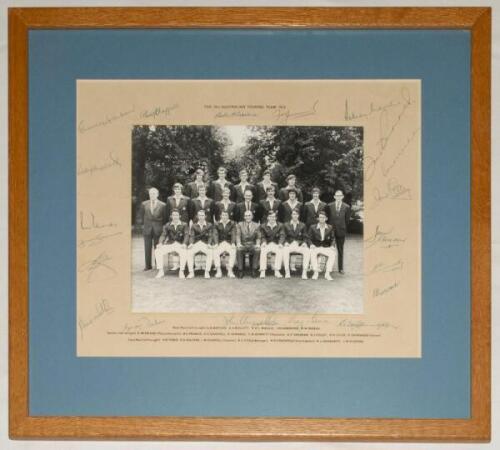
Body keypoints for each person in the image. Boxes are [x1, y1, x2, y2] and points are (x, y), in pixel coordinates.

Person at [138, 187, 167, 271]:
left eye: (154, 194)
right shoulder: (144, 204)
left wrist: (162, 228)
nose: (152, 195)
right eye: (151, 194)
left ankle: (158, 265)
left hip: (158, 229)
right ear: (149, 194)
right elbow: (142, 216)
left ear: (157, 195)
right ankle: (148, 266)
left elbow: (165, 218)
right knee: (147, 248)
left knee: (157, 247)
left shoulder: (163, 205)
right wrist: (143, 226)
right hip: (147, 229)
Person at [154, 209, 189, 279]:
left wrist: (184, 243)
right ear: (171, 216)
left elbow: (186, 235)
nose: (175, 217)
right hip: (170, 243)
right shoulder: (167, 225)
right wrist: (160, 243)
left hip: (180, 244)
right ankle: (160, 271)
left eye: (176, 215)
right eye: (173, 215)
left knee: (184, 252)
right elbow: (163, 235)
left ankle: (181, 271)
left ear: (179, 216)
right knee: (157, 251)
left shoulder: (184, 224)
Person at [186, 210, 215, 279]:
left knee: (210, 252)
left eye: (202, 215)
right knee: (189, 252)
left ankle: (207, 271)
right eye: (199, 215)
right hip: (196, 243)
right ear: (197, 216)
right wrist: (191, 243)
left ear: (205, 216)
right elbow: (192, 236)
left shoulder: (209, 225)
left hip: (205, 243)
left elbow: (211, 235)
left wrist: (209, 243)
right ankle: (191, 272)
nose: (201, 217)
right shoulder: (194, 225)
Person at [282, 208, 310, 280]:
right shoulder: (286, 224)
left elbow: (305, 236)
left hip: (299, 244)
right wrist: (285, 242)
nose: (295, 216)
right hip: (290, 244)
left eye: (296, 214)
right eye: (293, 214)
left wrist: (304, 242)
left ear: (298, 215)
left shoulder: (302, 225)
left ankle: (304, 272)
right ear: (291, 215)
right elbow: (283, 236)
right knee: (285, 250)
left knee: (307, 251)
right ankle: (287, 272)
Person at [327, 190, 350, 274]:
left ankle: (341, 268)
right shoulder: (329, 206)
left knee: (340, 250)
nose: (338, 197)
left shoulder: (346, 207)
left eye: (340, 195)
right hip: (331, 232)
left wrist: (342, 228)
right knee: (329, 249)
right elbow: (328, 218)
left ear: (342, 197)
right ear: (334, 197)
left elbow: (347, 220)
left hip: (341, 231)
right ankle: (328, 268)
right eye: (337, 195)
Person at [308, 210, 336, 281]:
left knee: (333, 253)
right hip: (316, 246)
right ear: (318, 218)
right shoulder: (312, 227)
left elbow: (333, 239)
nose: (322, 219)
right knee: (312, 252)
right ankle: (315, 272)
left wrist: (332, 245)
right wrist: (311, 244)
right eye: (320, 217)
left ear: (326, 218)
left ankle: (327, 273)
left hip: (325, 247)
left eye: (323, 217)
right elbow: (308, 238)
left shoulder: (330, 227)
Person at [259, 210, 284, 279]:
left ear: (276, 218)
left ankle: (277, 270)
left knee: (280, 250)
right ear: (267, 218)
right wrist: (263, 242)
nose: (272, 218)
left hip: (276, 243)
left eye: (273, 217)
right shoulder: (263, 226)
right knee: (263, 250)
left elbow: (282, 235)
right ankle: (263, 271)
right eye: (270, 217)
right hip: (267, 243)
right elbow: (262, 236)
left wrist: (280, 243)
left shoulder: (280, 225)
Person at [236, 210, 261, 278]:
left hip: (252, 244)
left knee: (257, 250)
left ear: (252, 216)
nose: (248, 217)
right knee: (239, 249)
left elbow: (258, 236)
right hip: (243, 244)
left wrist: (258, 244)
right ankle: (240, 270)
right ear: (244, 217)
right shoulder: (240, 224)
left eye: (249, 215)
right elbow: (238, 235)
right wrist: (238, 243)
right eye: (246, 216)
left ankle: (254, 270)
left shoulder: (257, 225)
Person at [213, 210, 237, 278]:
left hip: (229, 242)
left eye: (226, 215)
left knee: (233, 251)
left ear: (228, 216)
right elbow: (215, 234)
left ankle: (230, 270)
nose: (224, 217)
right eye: (223, 215)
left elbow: (233, 233)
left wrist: (232, 243)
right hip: (220, 242)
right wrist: (216, 243)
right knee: (215, 251)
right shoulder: (216, 223)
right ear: (220, 216)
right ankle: (218, 270)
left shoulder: (232, 223)